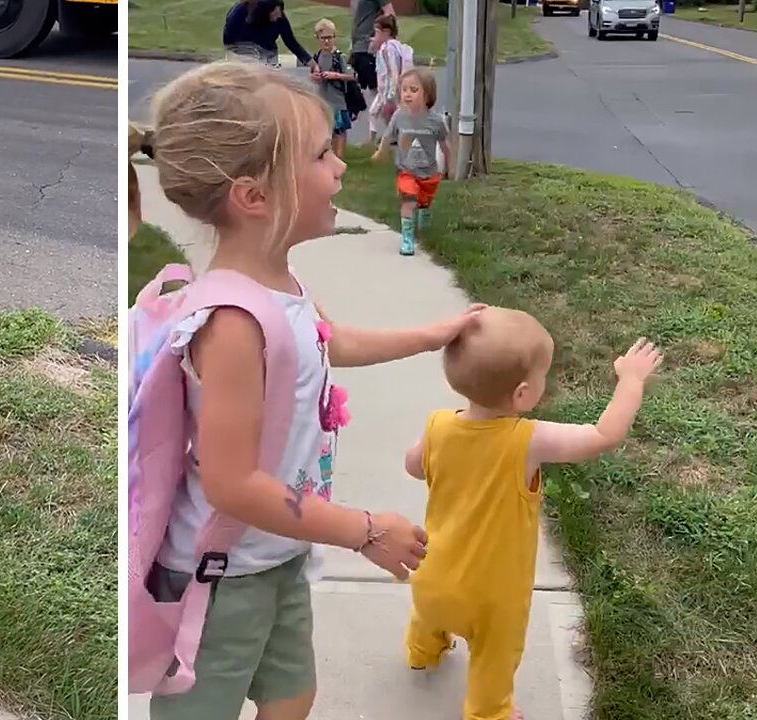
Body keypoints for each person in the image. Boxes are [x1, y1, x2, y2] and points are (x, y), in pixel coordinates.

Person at [129, 59, 485, 720]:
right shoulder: (232, 324)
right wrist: (364, 529)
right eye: (321, 155)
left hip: (277, 557)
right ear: (254, 197)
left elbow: (329, 342)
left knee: (293, 696)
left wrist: (432, 334)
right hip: (222, 575)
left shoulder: (281, 287)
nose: (341, 167)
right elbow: (232, 486)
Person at [402, 309, 663, 720]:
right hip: (493, 595)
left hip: (433, 577)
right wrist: (630, 381)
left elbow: (413, 466)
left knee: (428, 616)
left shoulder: (437, 425)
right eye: (545, 374)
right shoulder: (527, 441)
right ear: (522, 394)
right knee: (494, 657)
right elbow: (603, 435)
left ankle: (422, 650)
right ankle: (490, 711)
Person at [372, 68, 447, 257]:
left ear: (428, 94)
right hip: (406, 170)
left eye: (413, 90)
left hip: (429, 171)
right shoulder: (399, 116)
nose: (407, 94)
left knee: (424, 200)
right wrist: (381, 152)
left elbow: (445, 145)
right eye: (404, 89)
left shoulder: (436, 121)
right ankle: (407, 238)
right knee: (408, 200)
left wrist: (449, 167)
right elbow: (388, 136)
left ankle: (425, 211)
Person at [309, 18, 358, 159]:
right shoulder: (317, 56)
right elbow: (311, 75)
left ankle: (339, 158)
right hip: (323, 100)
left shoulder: (339, 56)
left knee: (340, 132)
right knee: (325, 132)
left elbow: (352, 76)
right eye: (323, 38)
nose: (326, 41)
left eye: (329, 38)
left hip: (338, 101)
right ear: (317, 38)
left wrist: (334, 75)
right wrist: (315, 76)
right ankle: (327, 158)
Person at [349, 0, 394, 140]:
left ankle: (392, 131)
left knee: (379, 93)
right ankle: (390, 131)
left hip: (368, 48)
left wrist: (380, 39)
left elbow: (390, 14)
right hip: (359, 48)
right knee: (365, 91)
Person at [223, 0, 315, 68]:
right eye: (274, 14)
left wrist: (310, 62)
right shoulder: (238, 14)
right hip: (243, 50)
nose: (278, 16)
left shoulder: (280, 18)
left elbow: (291, 42)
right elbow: (228, 41)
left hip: (268, 53)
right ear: (264, 12)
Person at [367, 15, 411, 146]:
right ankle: (381, 138)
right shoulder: (390, 47)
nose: (375, 36)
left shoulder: (389, 48)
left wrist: (391, 92)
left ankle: (390, 138)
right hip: (385, 90)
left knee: (386, 113)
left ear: (386, 32)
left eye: (377, 32)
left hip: (389, 90)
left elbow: (393, 70)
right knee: (376, 112)